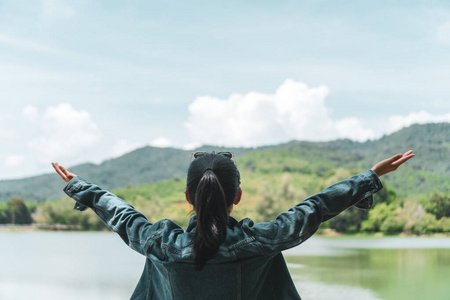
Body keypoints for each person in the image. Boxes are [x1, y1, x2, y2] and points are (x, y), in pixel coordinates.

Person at [52, 150, 415, 300]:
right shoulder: (260, 242)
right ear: (237, 196)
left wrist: (81, 187)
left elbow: (123, 216)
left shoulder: (161, 244)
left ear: (188, 196)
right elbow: (315, 207)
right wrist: (367, 178)